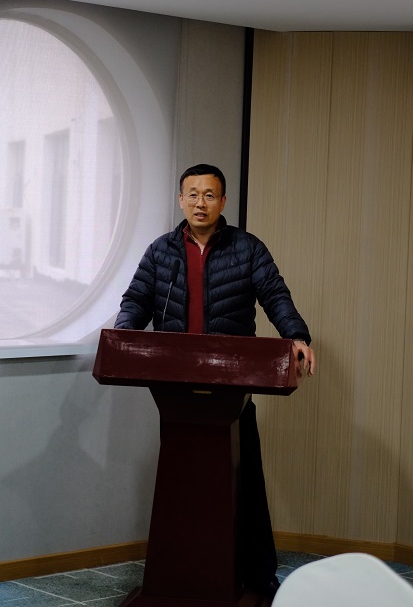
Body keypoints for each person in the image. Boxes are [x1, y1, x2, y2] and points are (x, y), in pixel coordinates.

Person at [114, 163, 315, 598]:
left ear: (223, 201)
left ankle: (255, 577)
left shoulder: (247, 248)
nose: (200, 203)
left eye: (209, 195)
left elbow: (275, 295)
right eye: (192, 194)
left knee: (245, 480)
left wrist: (296, 336)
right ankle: (179, 577)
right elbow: (136, 300)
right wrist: (124, 336)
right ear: (180, 199)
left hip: (231, 385)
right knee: (184, 483)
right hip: (176, 387)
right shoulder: (161, 251)